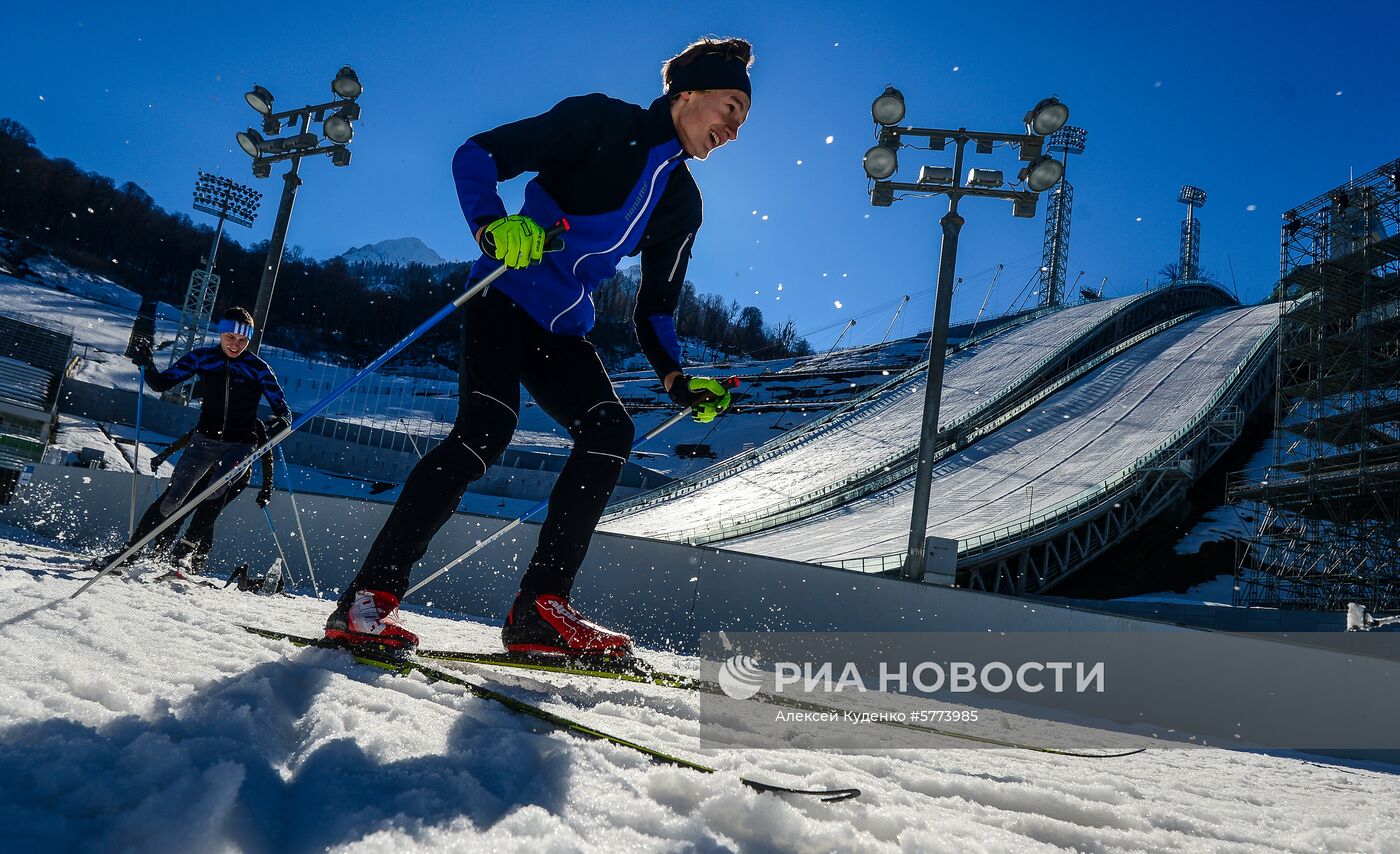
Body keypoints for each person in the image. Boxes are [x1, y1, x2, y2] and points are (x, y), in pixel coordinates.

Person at [325, 36, 752, 658]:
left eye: (744, 117)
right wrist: (492, 225)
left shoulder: (684, 203)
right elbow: (477, 154)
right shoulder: (601, 121)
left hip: (562, 329)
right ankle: (367, 602)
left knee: (610, 431)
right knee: (485, 430)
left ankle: (540, 610)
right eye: (731, 107)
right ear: (686, 93)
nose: (735, 128)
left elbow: (656, 306)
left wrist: (678, 379)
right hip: (502, 296)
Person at [96, 306, 290, 572]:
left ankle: (186, 549)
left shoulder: (257, 368)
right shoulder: (202, 358)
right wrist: (147, 364)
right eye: (230, 337)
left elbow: (283, 410)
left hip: (241, 443)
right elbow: (162, 383)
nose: (236, 344)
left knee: (216, 488)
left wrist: (280, 422)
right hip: (204, 439)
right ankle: (130, 552)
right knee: (174, 498)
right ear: (221, 334)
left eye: (243, 340)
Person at [148, 421, 276, 575]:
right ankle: (160, 550)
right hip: (207, 472)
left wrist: (266, 488)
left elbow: (266, 454)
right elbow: (191, 436)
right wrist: (164, 454)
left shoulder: (254, 423)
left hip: (234, 479)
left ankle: (191, 554)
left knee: (207, 512)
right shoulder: (217, 412)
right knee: (181, 509)